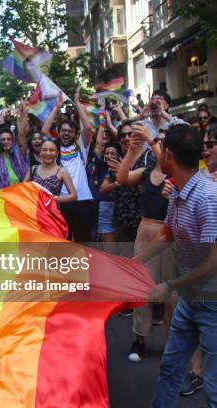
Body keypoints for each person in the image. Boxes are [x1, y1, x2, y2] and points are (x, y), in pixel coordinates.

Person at [131, 124, 217, 408]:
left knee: (214, 388)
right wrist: (134, 262)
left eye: (162, 145)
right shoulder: (179, 191)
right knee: (170, 368)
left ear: (168, 155)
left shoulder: (207, 197)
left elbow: (213, 261)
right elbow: (167, 234)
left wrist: (169, 286)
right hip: (190, 298)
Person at [117, 124, 170, 363]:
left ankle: (173, 343)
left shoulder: (175, 174)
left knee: (169, 291)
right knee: (142, 287)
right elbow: (121, 178)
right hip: (144, 230)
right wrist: (132, 151)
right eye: (160, 141)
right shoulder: (148, 170)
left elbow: (168, 166)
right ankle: (139, 338)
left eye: (163, 142)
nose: (161, 144)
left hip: (168, 234)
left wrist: (151, 140)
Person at [41, 90, 96, 242]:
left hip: (83, 201)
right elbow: (44, 131)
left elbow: (89, 129)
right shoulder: (53, 149)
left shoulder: (81, 147)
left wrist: (77, 104)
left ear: (75, 133)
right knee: (63, 241)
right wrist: (56, 108)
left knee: (83, 242)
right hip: (61, 202)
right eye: (63, 130)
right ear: (58, 132)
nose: (66, 133)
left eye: (70, 131)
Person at [24, 138, 77, 203]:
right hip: (34, 210)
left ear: (57, 153)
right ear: (40, 152)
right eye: (44, 150)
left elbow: (74, 196)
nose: (48, 153)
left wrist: (59, 199)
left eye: (51, 150)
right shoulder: (33, 169)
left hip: (52, 211)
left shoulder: (62, 171)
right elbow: (21, 189)